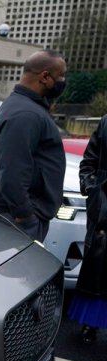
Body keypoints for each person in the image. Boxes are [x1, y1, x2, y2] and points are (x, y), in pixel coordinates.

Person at [0, 49, 68, 242]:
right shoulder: (26, 114)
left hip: (15, 215)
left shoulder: (23, 105)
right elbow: (13, 173)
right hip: (16, 219)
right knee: (20, 272)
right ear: (45, 77)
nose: (63, 81)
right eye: (61, 76)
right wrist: (26, 217)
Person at [68, 114, 107, 343]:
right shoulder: (106, 122)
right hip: (104, 208)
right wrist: (92, 187)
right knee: (98, 269)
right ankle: (90, 324)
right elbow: (89, 161)